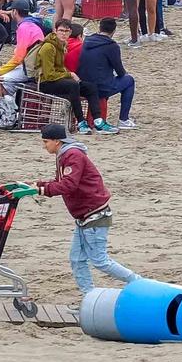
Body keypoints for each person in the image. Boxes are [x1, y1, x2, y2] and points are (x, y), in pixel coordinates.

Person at [31, 121, 138, 292]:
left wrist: (41, 190)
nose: (44, 146)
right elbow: (62, 182)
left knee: (100, 260)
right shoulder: (64, 155)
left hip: (94, 215)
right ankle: (89, 298)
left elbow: (69, 185)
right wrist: (36, 185)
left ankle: (137, 282)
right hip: (84, 216)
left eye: (45, 142)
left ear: (57, 141)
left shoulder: (72, 155)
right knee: (77, 259)